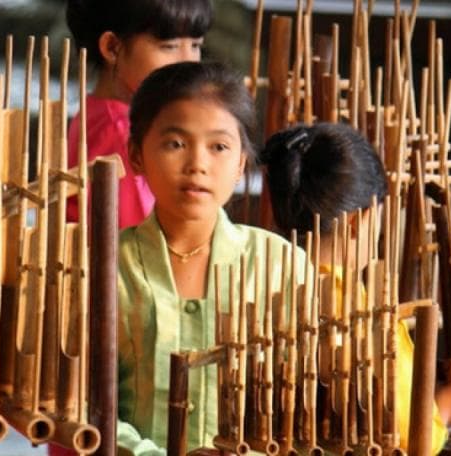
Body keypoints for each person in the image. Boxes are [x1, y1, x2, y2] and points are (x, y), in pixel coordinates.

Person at [116, 61, 307, 454]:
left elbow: (304, 401)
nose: (197, 164)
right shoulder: (103, 265)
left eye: (219, 146)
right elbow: (81, 403)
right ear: (136, 155)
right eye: (175, 143)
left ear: (240, 163)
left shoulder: (280, 266)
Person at [262, 122, 451, 455]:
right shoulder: (360, 310)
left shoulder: (263, 280)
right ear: (357, 222)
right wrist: (443, 412)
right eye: (378, 219)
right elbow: (408, 437)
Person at [65, 0, 213, 229]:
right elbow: (137, 244)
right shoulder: (121, 133)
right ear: (112, 47)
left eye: (195, 45)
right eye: (170, 46)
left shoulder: (99, 113)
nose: (188, 63)